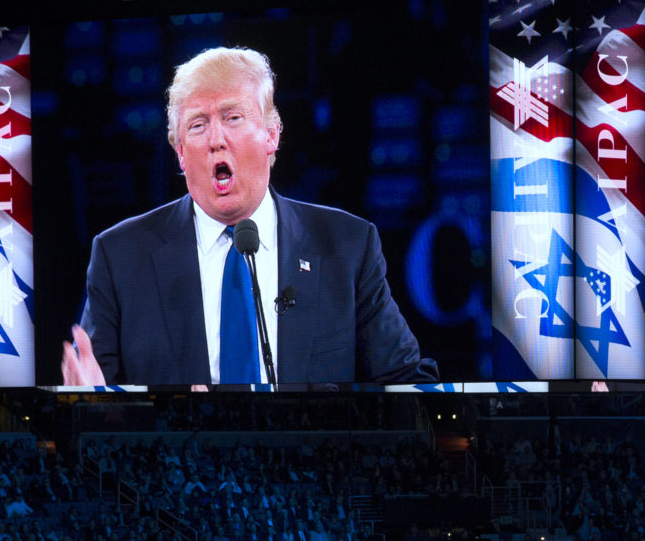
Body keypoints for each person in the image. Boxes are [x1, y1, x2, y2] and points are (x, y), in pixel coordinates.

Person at [61, 47, 437, 386]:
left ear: (272, 134)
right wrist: (95, 401)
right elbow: (97, 401)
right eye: (197, 124)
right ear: (180, 154)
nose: (215, 139)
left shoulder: (347, 245)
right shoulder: (121, 256)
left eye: (233, 117)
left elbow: (406, 383)